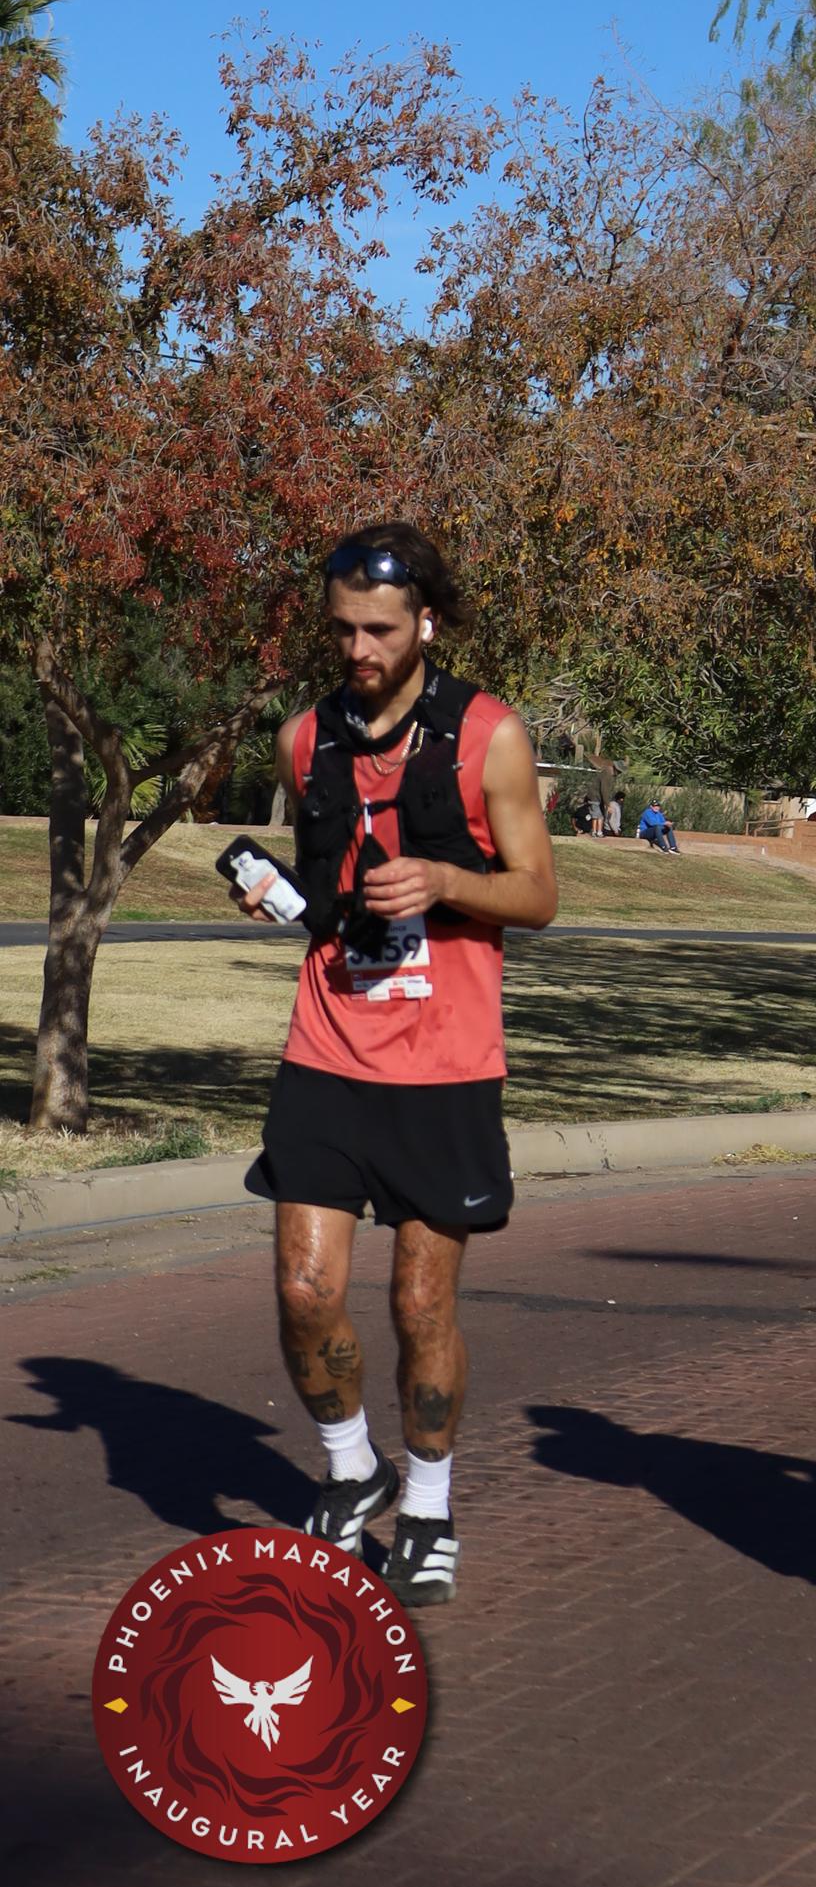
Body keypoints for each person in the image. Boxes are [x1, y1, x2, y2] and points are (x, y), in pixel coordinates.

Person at [232, 522, 557, 1606]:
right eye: (343, 630)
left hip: (444, 1064)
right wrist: (283, 900)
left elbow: (539, 896)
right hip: (327, 1048)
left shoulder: (487, 738)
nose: (359, 650)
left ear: (427, 622)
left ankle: (426, 1506)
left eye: (379, 629)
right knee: (303, 1289)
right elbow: (329, 896)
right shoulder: (303, 739)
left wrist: (444, 881)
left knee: (421, 1305)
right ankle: (350, 1468)